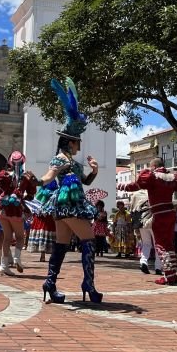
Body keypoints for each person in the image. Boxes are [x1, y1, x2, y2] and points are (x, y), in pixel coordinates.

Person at [38, 77, 101, 304]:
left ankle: (50, 283)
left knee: (62, 245)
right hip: (70, 207)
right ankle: (89, 285)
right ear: (70, 142)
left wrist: (94, 171)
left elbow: (85, 181)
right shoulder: (60, 159)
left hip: (63, 210)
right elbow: (49, 175)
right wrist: (39, 182)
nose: (79, 145)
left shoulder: (72, 161)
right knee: (89, 240)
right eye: (77, 141)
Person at [124, 157, 177, 284]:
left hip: (159, 214)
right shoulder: (172, 177)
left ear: (153, 166)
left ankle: (169, 276)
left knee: (160, 245)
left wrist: (122, 186)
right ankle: (172, 274)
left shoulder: (152, 176)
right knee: (169, 244)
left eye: (150, 166)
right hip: (171, 213)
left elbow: (136, 186)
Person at [0, 151, 40, 276]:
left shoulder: (4, 174)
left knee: (7, 237)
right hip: (16, 210)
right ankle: (17, 258)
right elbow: (30, 195)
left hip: (2, 209)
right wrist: (23, 194)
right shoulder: (27, 176)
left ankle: (3, 265)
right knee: (20, 237)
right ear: (23, 161)